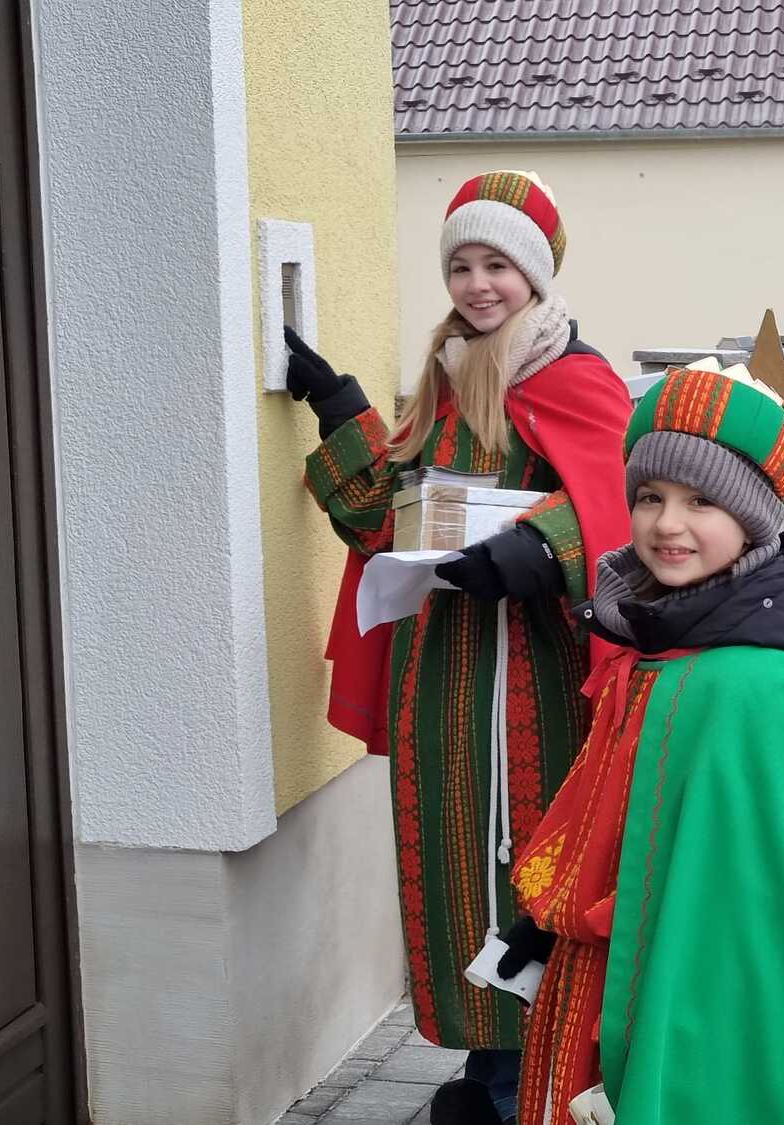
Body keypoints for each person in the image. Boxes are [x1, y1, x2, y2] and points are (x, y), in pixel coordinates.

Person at [286, 170, 633, 1125]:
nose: (478, 285)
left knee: (529, 869)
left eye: (498, 266)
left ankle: (536, 1082)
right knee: (456, 874)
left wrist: (540, 548)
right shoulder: (445, 377)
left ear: (536, 274)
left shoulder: (575, 375)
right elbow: (384, 519)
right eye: (462, 266)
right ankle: (491, 1071)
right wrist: (340, 407)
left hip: (534, 680)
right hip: (441, 677)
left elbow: (622, 504)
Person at [500, 356, 784, 1125]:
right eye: (649, 496)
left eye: (702, 500)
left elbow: (740, 939)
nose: (666, 524)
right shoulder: (664, 640)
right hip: (621, 977)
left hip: (678, 1032)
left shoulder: (752, 686)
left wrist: (653, 1077)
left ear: (753, 517)